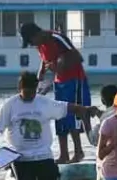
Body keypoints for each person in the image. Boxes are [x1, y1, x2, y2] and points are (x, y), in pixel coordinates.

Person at [0, 71, 98, 180]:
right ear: (20, 88)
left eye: (33, 91)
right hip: (20, 156)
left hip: (43, 154)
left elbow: (66, 107)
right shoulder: (10, 105)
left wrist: (86, 109)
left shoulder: (43, 102)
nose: (30, 95)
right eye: (27, 92)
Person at [19, 22, 91, 165]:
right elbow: (45, 61)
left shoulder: (57, 38)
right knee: (60, 117)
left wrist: (60, 65)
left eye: (32, 41)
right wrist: (41, 75)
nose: (33, 44)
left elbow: (78, 57)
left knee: (73, 116)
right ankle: (63, 154)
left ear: (37, 34)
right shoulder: (40, 45)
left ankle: (78, 152)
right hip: (59, 82)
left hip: (74, 80)